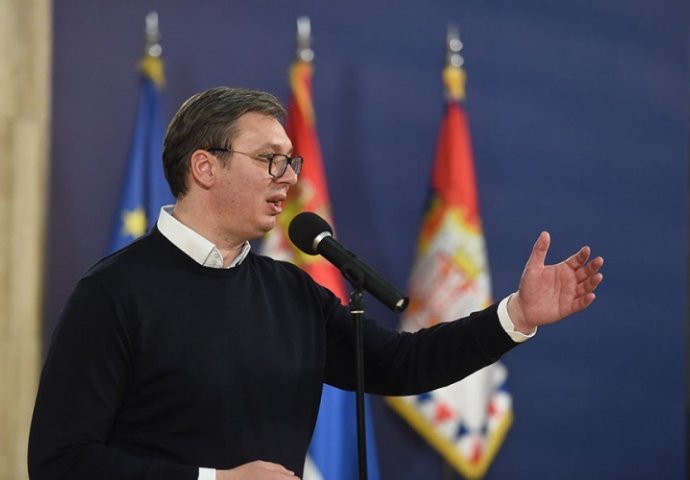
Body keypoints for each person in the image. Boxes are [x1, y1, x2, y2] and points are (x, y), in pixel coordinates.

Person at [28, 87, 604, 480]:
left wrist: (516, 316)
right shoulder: (114, 293)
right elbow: (59, 462)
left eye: (292, 162)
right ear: (205, 167)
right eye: (270, 159)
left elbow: (401, 365)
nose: (288, 179)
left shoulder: (293, 292)